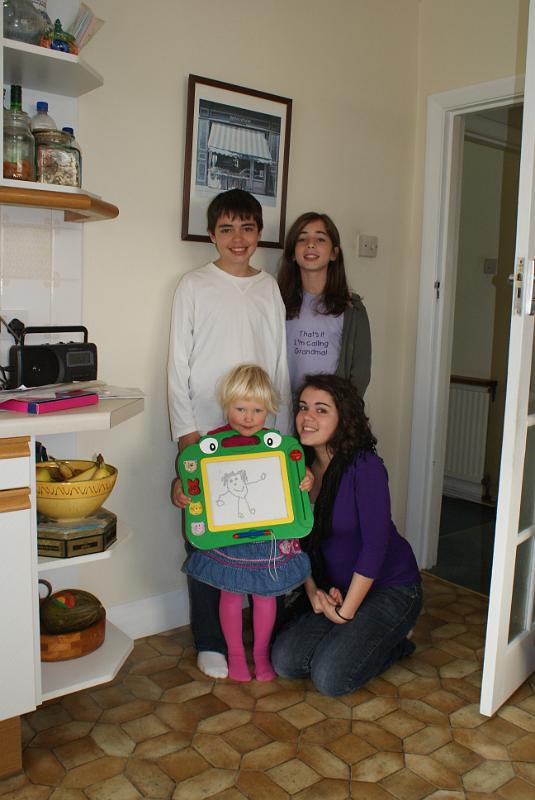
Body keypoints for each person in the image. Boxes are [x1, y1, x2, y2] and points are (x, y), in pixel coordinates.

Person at [167, 189, 292, 680]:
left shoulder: (269, 288)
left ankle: (263, 638)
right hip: (206, 433)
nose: (237, 238)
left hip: (259, 435)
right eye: (226, 229)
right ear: (212, 235)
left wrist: (278, 436)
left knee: (260, 537)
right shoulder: (193, 285)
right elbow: (178, 365)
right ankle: (211, 641)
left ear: (259, 233)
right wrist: (187, 434)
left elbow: (279, 364)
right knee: (207, 537)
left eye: (247, 228)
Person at [271, 374, 422, 696]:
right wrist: (314, 593)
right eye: (303, 407)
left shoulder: (365, 467)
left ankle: (396, 642)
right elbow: (296, 543)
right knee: (285, 662)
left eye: (321, 409)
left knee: (331, 679)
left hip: (390, 587)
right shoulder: (297, 468)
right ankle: (359, 635)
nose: (307, 417)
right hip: (335, 588)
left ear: (343, 418)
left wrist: (345, 613)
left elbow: (375, 546)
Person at [178, 364, 312, 682]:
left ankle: (261, 654)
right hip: (229, 540)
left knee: (266, 596)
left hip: (267, 539)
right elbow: (197, 484)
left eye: (257, 410)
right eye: (241, 409)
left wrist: (305, 479)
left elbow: (292, 482)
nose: (249, 418)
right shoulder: (211, 445)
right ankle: (236, 656)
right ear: (227, 406)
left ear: (269, 410)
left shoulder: (277, 446)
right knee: (231, 595)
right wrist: (181, 492)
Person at [278, 212, 371, 396]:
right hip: (283, 408)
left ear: (334, 253)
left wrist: (340, 409)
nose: (310, 244)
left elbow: (360, 374)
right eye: (302, 239)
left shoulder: (353, 309)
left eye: (320, 239)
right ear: (293, 254)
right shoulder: (276, 302)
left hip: (332, 410)